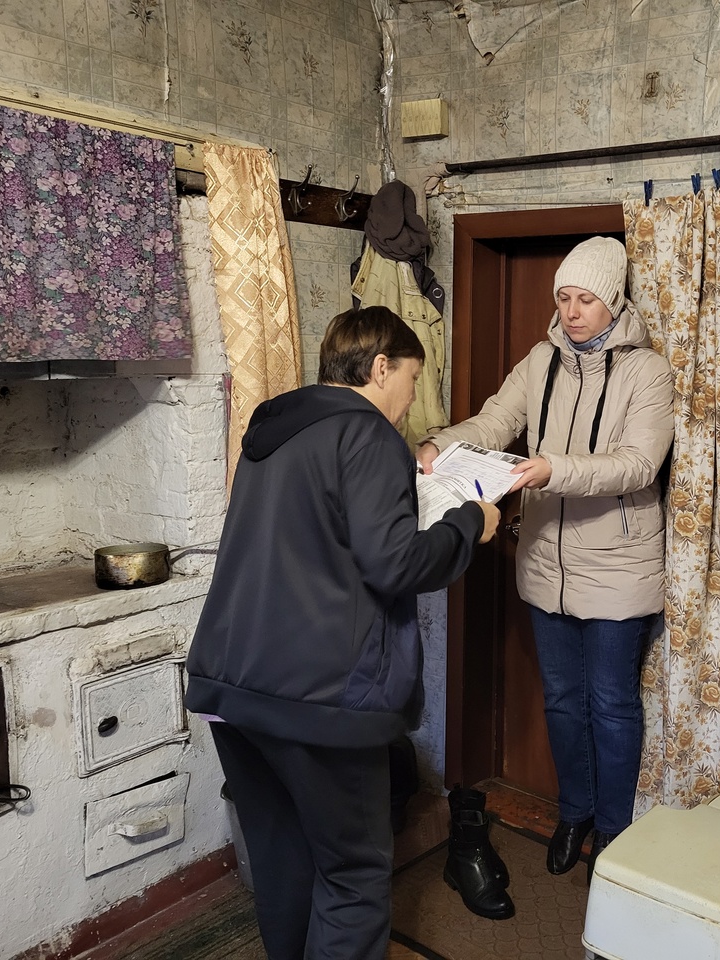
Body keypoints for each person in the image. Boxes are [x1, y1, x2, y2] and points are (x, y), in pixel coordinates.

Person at [185, 305, 501, 960]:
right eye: (411, 380)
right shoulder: (368, 435)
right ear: (381, 367)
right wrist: (469, 523)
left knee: (283, 858)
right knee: (353, 874)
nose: (410, 400)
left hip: (232, 683)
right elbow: (397, 564)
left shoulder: (272, 430)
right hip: (320, 696)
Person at [418, 236, 673, 881]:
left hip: (617, 566)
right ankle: (574, 813)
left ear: (614, 303)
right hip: (543, 563)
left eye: (586, 299)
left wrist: (551, 469)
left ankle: (613, 832)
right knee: (561, 699)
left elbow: (638, 466)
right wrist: (441, 444)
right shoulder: (540, 361)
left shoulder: (647, 372)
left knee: (611, 703)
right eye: (564, 298)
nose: (572, 311)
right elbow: (495, 421)